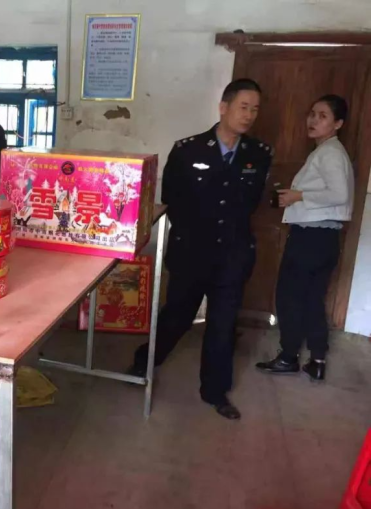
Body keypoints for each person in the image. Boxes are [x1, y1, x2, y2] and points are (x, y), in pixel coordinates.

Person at [130, 79, 273, 420]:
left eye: (255, 109)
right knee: (177, 316)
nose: (249, 115)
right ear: (223, 107)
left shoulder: (259, 154)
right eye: (243, 107)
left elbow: (251, 202)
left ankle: (215, 391)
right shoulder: (188, 150)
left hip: (234, 255)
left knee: (223, 324)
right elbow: (173, 200)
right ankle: (144, 361)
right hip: (192, 253)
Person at [256, 95, 354, 382]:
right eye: (312, 114)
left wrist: (298, 196)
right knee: (312, 299)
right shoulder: (328, 151)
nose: (313, 120)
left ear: (338, 123)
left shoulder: (330, 153)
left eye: (323, 116)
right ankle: (317, 360)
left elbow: (339, 194)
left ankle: (288, 357)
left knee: (290, 296)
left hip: (310, 238)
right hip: (325, 238)